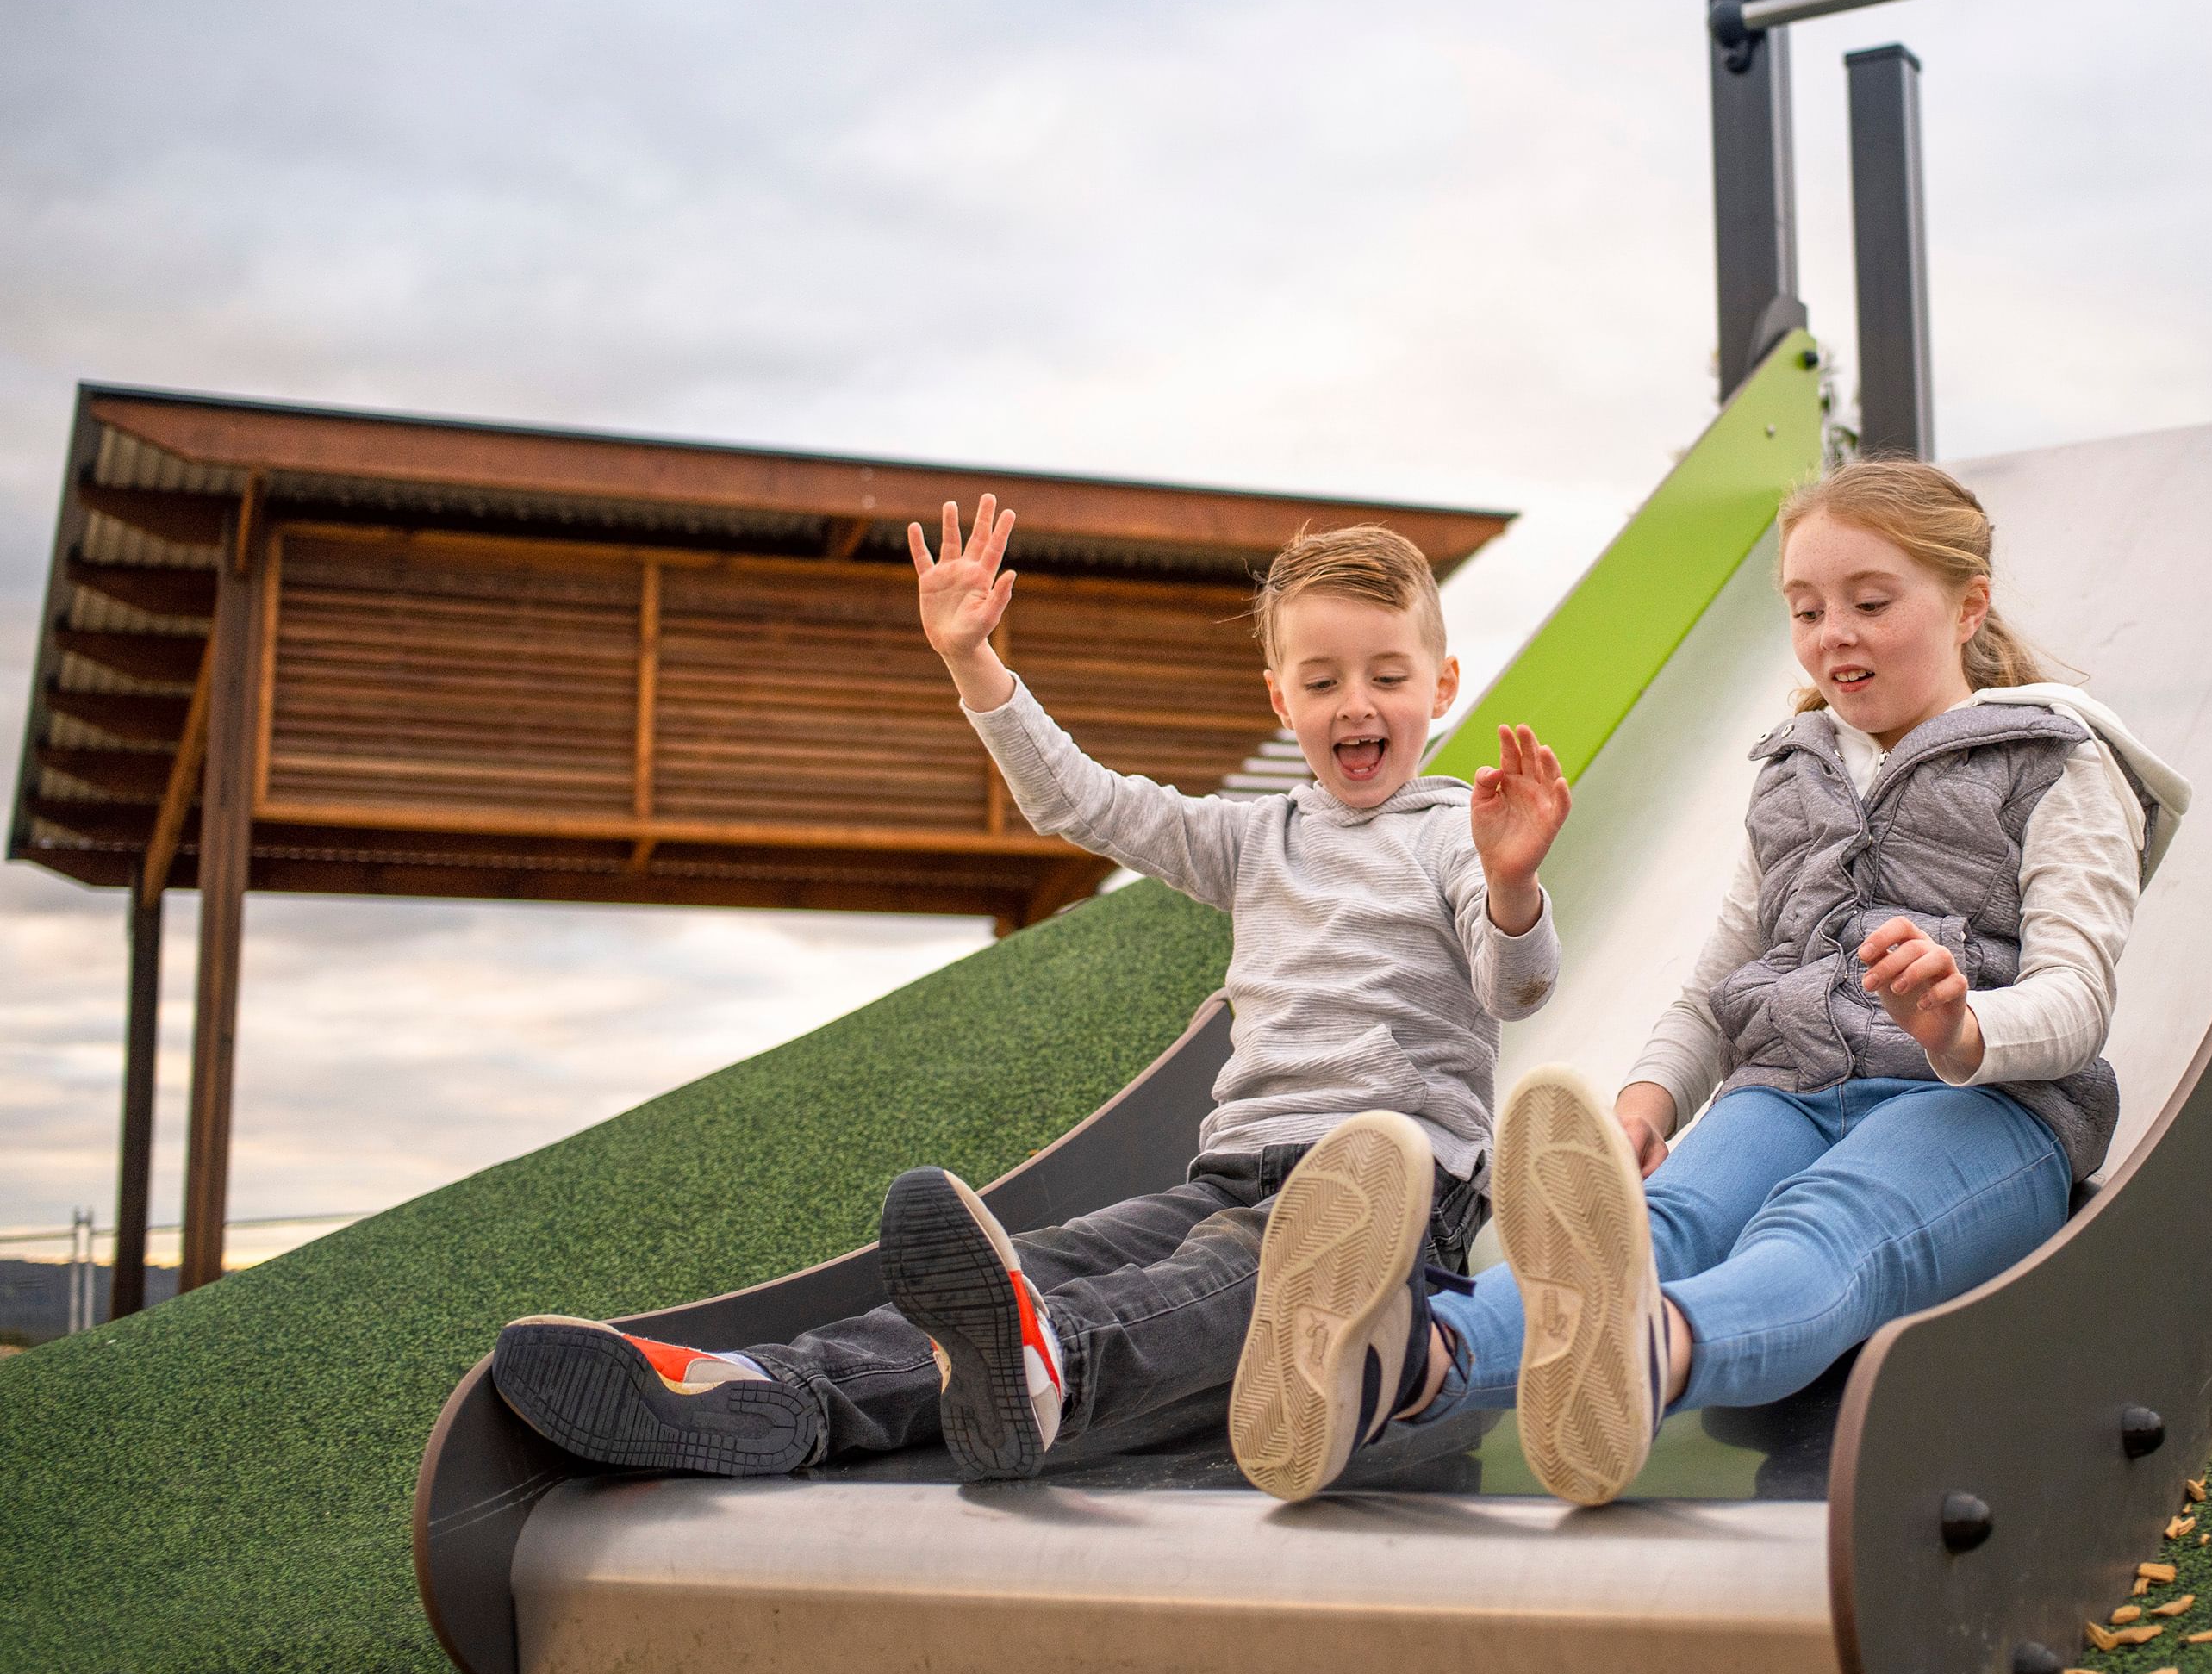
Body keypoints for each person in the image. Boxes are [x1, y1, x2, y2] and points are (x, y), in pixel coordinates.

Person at [487, 501, 1572, 1484]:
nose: (1355, 705)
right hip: (1229, 1177)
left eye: (1386, 677)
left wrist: (1514, 885)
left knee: (1231, 1279)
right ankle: (780, 1392)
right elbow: (1080, 803)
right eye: (1322, 682)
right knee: (1049, 1263)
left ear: (1441, 686)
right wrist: (973, 662)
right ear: (1279, 696)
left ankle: (1055, 1362)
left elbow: (1513, 987)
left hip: (1387, 1207)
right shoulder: (1254, 838)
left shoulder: (1454, 836)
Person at [1231, 457, 2186, 1505]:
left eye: (1870, 604)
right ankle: (1405, 1365)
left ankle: (1648, 1355)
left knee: (1824, 1228)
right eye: (1806, 610)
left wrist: (1959, 1026)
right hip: (1788, 1089)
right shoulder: (1794, 774)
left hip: (1983, 1108)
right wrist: (1648, 1103)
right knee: (1661, 1220)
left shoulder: (2056, 763)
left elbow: (2076, 997)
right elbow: (1720, 984)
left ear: (1968, 607)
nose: (1833, 635)